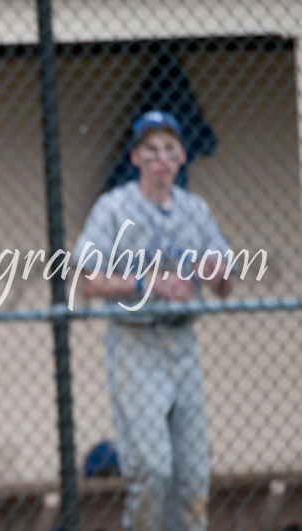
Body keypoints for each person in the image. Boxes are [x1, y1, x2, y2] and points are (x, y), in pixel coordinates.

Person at [72, 110, 232, 531]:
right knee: (154, 472)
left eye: (169, 148)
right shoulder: (114, 207)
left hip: (183, 344)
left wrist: (212, 271)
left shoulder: (195, 211)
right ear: (135, 157)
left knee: (193, 476)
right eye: (151, 149)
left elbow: (224, 282)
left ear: (182, 156)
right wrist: (145, 281)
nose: (160, 157)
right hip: (135, 343)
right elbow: (88, 282)